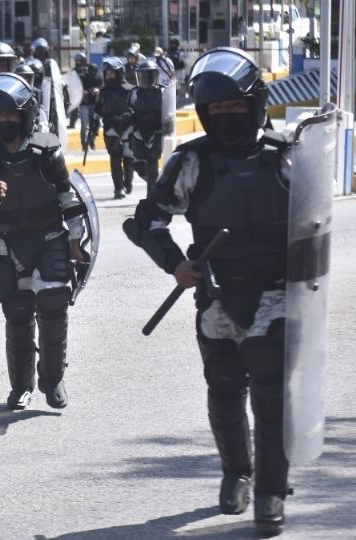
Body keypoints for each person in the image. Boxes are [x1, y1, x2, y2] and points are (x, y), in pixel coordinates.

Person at [124, 48, 296, 535]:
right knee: (224, 390)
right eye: (215, 109)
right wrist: (175, 264)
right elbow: (149, 221)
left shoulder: (287, 155)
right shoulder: (191, 161)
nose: (226, 117)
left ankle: (269, 492)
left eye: (234, 106)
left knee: (269, 393)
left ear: (255, 103)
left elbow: (316, 223)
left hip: (277, 293)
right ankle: (235, 474)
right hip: (216, 296)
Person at [0, 72, 86, 410]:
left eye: (11, 114)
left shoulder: (46, 151)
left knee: (53, 306)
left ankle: (53, 378)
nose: (4, 121)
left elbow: (68, 198)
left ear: (25, 116)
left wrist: (76, 241)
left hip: (48, 238)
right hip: (5, 244)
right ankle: (20, 386)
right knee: (18, 313)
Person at [94, 57, 136, 199]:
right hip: (110, 128)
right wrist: (93, 124)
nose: (109, 76)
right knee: (115, 159)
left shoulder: (130, 89)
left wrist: (129, 116)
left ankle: (128, 182)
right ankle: (118, 188)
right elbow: (97, 109)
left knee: (128, 158)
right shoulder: (104, 91)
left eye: (111, 73)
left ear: (119, 73)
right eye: (107, 74)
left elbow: (136, 107)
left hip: (128, 129)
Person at [125, 58, 164, 196]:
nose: (145, 79)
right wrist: (127, 117)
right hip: (139, 130)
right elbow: (128, 109)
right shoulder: (134, 92)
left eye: (148, 76)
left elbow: (169, 110)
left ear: (154, 76)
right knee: (136, 161)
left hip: (156, 130)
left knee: (152, 160)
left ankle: (152, 196)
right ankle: (159, 185)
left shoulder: (162, 92)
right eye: (143, 76)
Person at [73, 52, 103, 152]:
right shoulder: (76, 73)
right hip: (84, 103)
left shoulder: (95, 71)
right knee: (84, 124)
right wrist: (83, 91)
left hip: (94, 103)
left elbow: (101, 85)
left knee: (95, 123)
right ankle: (84, 144)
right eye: (80, 61)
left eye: (83, 60)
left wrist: (97, 89)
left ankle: (92, 140)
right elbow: (74, 86)